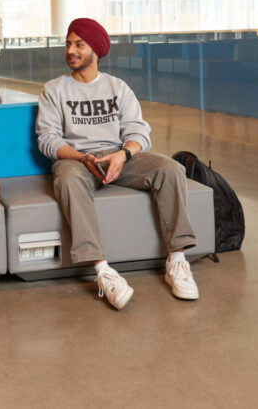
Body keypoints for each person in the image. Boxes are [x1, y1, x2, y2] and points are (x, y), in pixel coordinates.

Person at [35, 18, 199, 310]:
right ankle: (103, 271)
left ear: (95, 50)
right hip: (76, 159)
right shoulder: (54, 89)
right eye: (68, 44)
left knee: (171, 169)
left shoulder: (118, 87)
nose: (70, 50)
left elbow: (138, 132)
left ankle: (177, 260)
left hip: (117, 155)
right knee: (68, 179)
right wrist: (80, 157)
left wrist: (124, 155)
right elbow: (47, 139)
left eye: (78, 44)